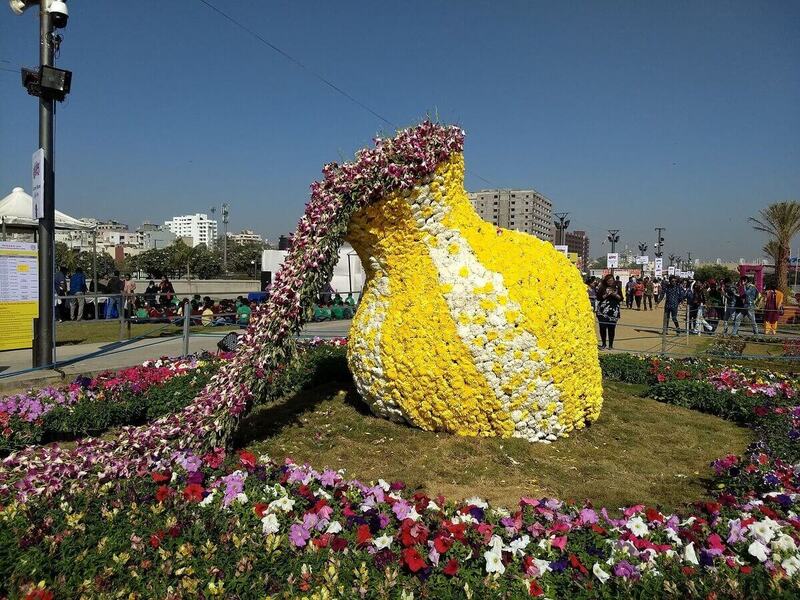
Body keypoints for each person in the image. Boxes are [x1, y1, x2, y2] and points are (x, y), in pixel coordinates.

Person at [595, 274, 622, 350]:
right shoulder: (602, 288)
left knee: (611, 328)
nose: (610, 282)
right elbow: (599, 298)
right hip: (602, 312)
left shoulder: (617, 288)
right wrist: (607, 294)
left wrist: (615, 294)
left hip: (613, 312)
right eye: (608, 280)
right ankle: (603, 344)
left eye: (611, 280)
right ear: (606, 281)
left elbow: (621, 298)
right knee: (602, 328)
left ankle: (610, 345)